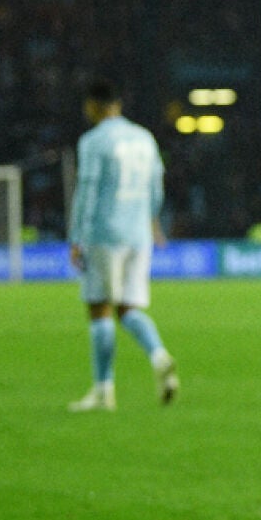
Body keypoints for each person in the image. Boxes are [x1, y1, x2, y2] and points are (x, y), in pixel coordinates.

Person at [66, 79, 177, 412]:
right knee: (128, 308)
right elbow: (156, 185)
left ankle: (103, 391)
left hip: (105, 232)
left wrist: (76, 237)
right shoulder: (145, 138)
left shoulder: (94, 141)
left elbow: (87, 190)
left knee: (99, 307)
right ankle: (159, 356)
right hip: (138, 234)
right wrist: (152, 220)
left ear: (95, 105)